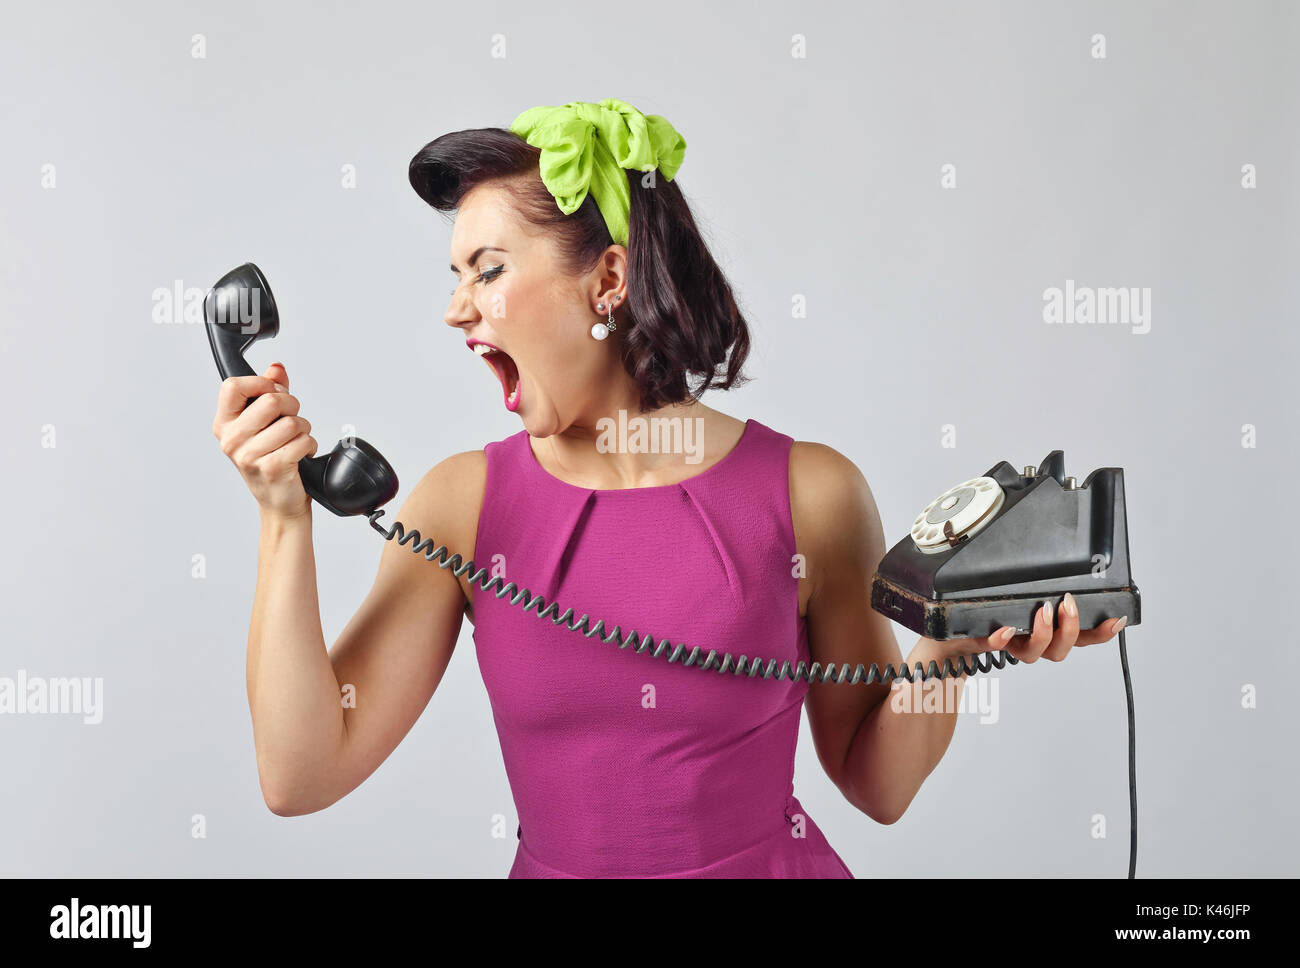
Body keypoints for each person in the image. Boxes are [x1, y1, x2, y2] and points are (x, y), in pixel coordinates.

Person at [210, 98, 1126, 878]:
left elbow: (876, 784)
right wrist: (284, 519)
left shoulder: (812, 491)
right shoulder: (459, 507)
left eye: (488, 270)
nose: (458, 307)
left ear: (608, 279)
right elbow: (300, 775)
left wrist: (950, 647)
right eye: (455, 277)